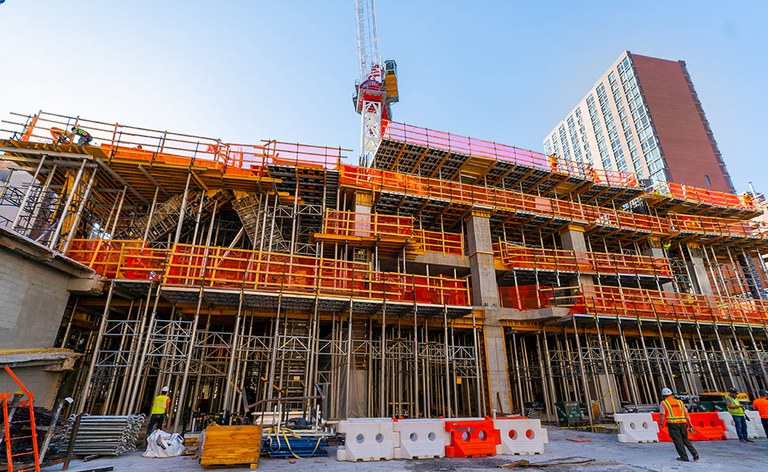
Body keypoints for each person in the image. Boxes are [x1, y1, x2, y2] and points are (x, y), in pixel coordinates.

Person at [659, 387, 699, 462]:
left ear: (664, 395)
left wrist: (661, 423)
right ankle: (695, 454)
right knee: (685, 439)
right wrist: (690, 424)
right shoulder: (680, 402)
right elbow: (686, 414)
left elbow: (662, 415)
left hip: (673, 425)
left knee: (678, 441)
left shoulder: (664, 403)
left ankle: (684, 457)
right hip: (683, 423)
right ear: (671, 394)